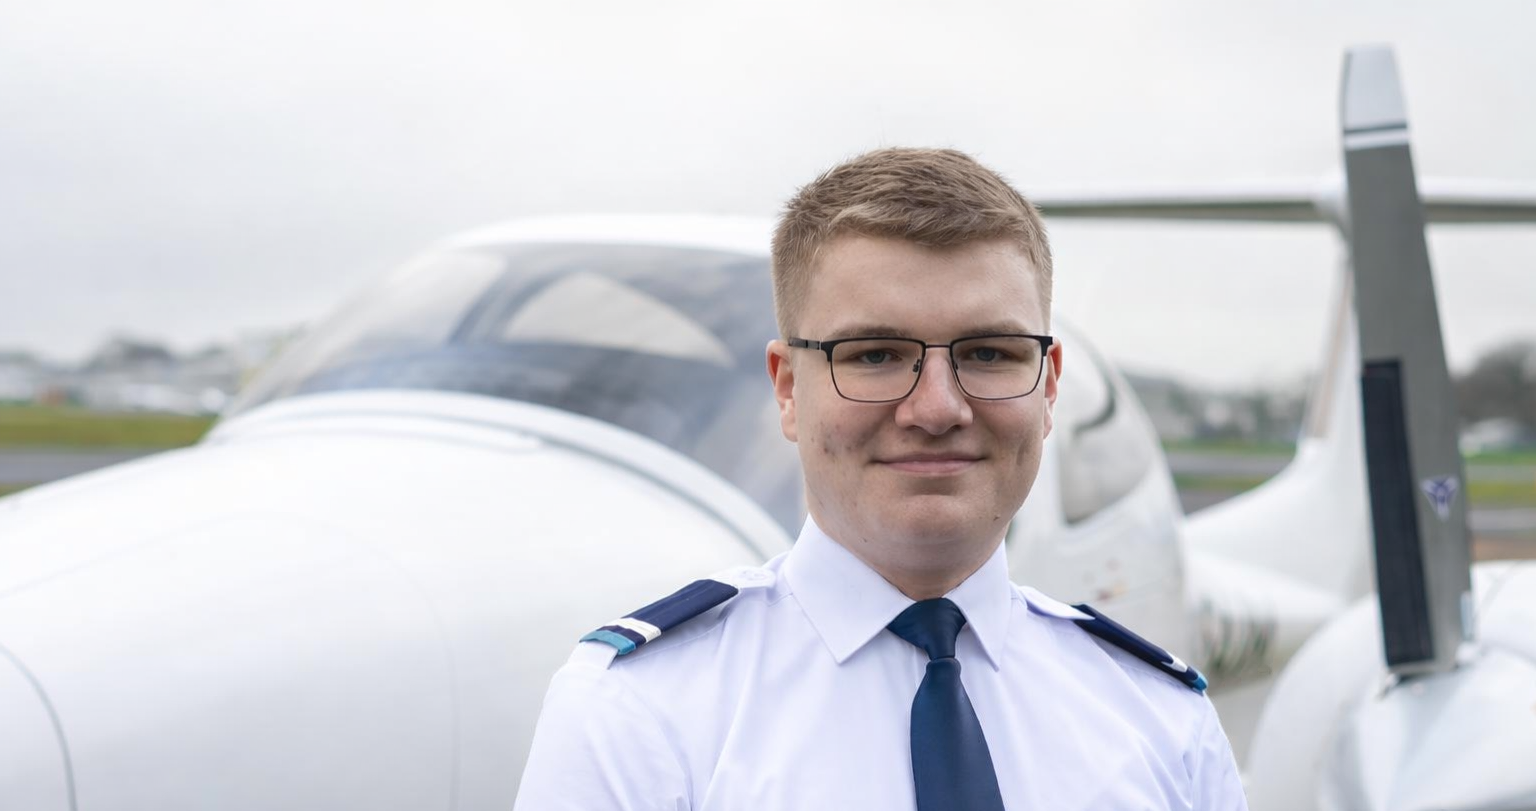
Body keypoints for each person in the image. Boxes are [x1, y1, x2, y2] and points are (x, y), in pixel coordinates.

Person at [513, 147, 1248, 810]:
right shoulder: (639, 715)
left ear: (1048, 387)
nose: (938, 407)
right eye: (874, 355)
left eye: (990, 353)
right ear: (788, 388)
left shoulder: (1163, 721)